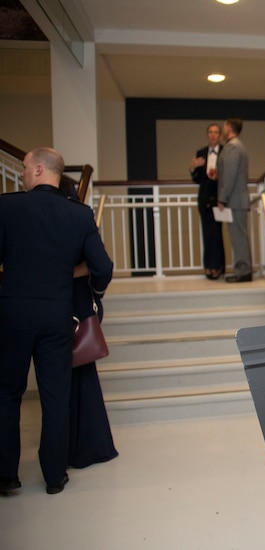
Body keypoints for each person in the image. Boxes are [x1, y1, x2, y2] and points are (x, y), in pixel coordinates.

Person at [0, 148, 113, 495]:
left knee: (6, 394)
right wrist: (95, 292)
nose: (20, 173)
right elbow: (103, 268)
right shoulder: (78, 215)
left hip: (12, 314)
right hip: (57, 315)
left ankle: (6, 475)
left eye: (23, 167)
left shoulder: (6, 207)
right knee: (55, 396)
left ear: (37, 170)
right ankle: (54, 476)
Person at [57, 179, 119, 470]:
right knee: (81, 379)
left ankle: (79, 447)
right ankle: (84, 446)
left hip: (76, 308)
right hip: (79, 304)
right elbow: (102, 267)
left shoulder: (69, 218)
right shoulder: (79, 217)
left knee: (74, 380)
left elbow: (102, 265)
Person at [217, 117, 252, 283]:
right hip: (238, 200)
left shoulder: (232, 148)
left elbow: (229, 176)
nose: (223, 131)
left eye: (224, 127)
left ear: (229, 128)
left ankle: (243, 271)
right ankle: (243, 270)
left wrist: (222, 198)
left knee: (238, 237)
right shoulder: (238, 147)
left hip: (235, 201)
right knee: (240, 236)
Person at [189, 123, 225, 280]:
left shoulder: (225, 152)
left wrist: (219, 176)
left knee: (216, 232)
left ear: (220, 135)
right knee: (207, 232)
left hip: (219, 197)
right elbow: (196, 178)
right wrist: (193, 167)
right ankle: (208, 266)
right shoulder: (201, 153)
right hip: (204, 197)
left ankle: (218, 266)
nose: (213, 135)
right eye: (210, 132)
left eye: (216, 132)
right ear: (207, 135)